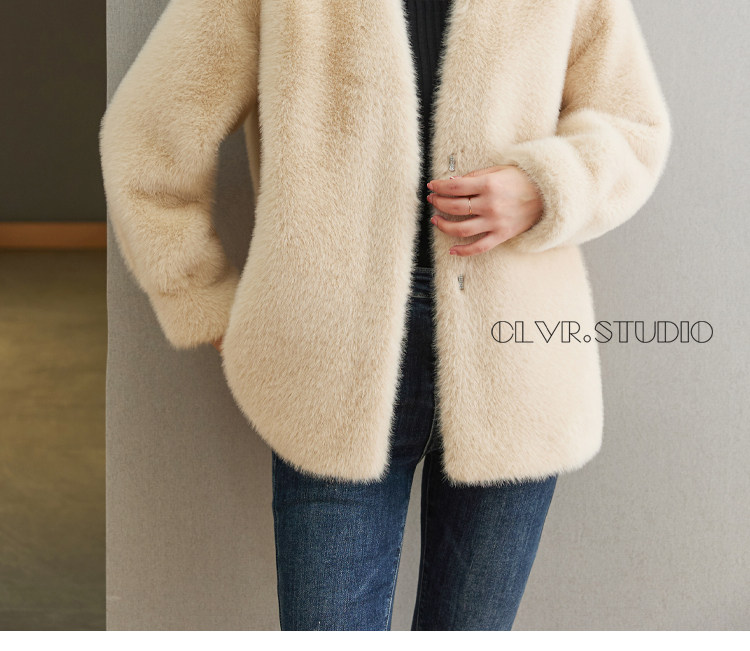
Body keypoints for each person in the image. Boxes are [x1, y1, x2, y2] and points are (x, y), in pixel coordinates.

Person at [99, 0, 672, 631]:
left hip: (515, 364)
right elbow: (146, 138)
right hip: (328, 359)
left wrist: (545, 187)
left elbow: (633, 126)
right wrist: (201, 299)